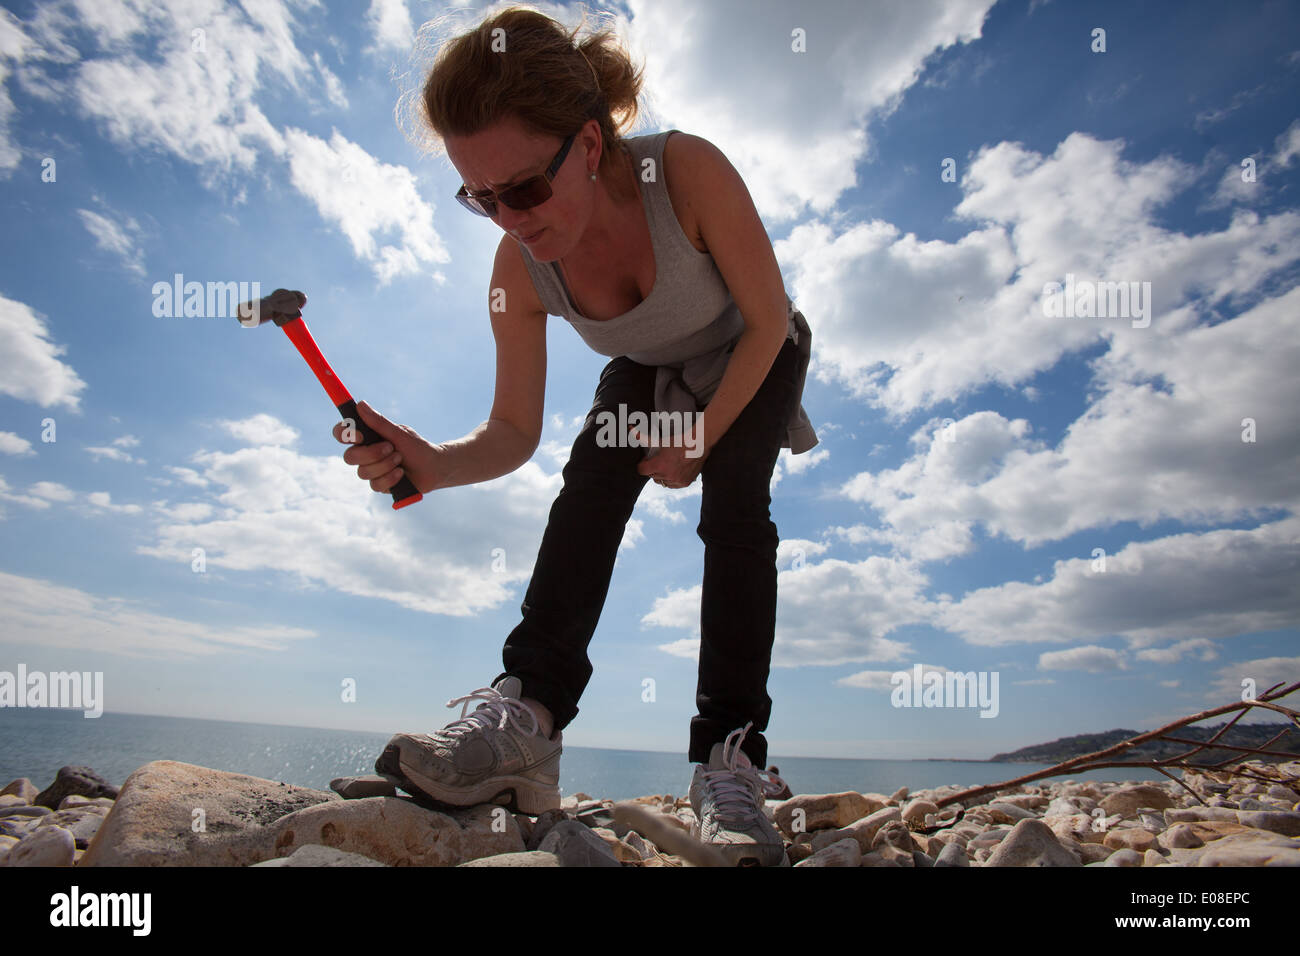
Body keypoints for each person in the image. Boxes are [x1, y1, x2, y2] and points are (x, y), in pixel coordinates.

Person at [334, 5, 817, 867]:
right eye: (477, 198)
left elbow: (770, 315)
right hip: (648, 365)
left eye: (522, 188)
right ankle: (529, 718)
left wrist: (702, 437)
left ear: (591, 146)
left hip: (754, 344)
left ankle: (729, 762)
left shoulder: (687, 172)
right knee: (588, 487)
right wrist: (432, 465)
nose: (508, 219)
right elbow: (513, 429)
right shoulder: (516, 270)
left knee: (734, 512)